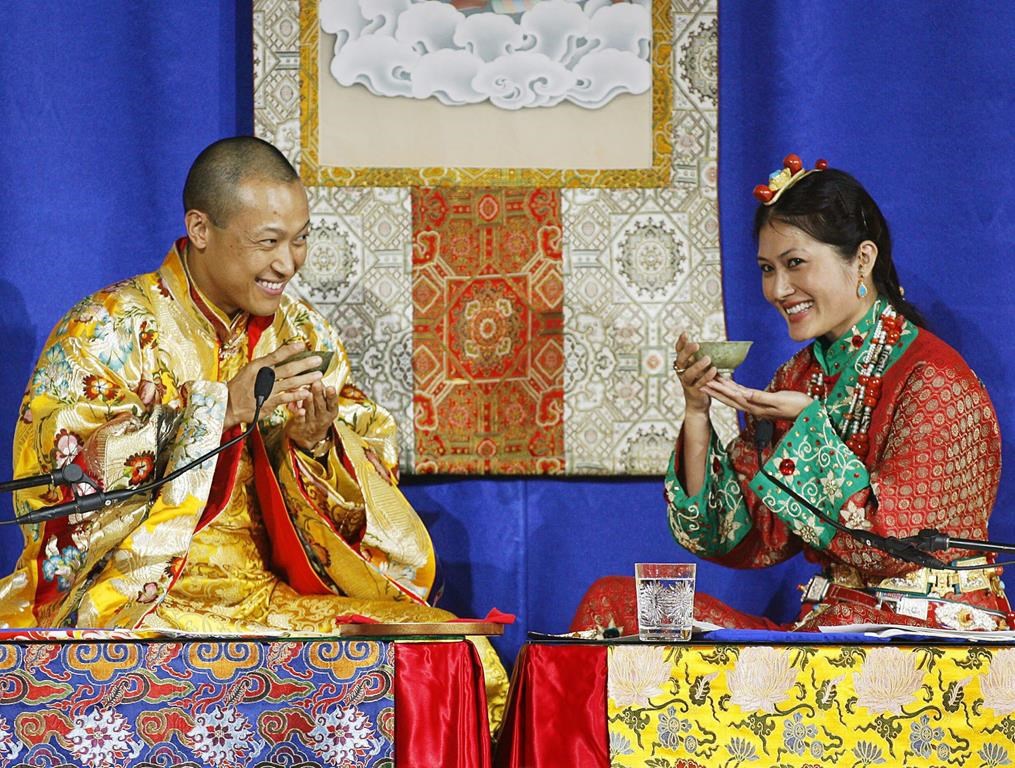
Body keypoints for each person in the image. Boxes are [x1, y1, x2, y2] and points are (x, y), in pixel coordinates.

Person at [0, 136, 507, 721]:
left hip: (267, 593)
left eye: (300, 240)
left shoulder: (305, 336)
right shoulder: (105, 330)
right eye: (268, 242)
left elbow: (371, 478)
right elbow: (55, 487)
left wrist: (317, 448)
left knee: (459, 655)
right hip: (142, 599)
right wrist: (218, 409)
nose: (287, 264)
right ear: (201, 228)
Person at [571, 154, 1011, 634]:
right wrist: (698, 411)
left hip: (928, 637)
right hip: (833, 628)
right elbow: (738, 533)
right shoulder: (798, 377)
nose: (779, 289)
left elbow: (895, 547)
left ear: (862, 259)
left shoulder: (934, 378)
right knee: (615, 604)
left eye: (795, 263)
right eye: (766, 268)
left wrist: (809, 429)